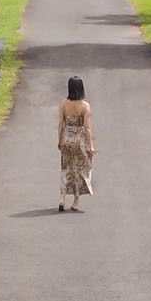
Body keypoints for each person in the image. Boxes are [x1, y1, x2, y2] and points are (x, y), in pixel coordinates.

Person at [56, 75, 94, 212]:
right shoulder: (85, 106)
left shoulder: (63, 104)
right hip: (79, 141)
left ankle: (62, 197)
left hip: (66, 138)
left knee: (65, 168)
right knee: (79, 170)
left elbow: (61, 123)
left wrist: (59, 139)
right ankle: (76, 202)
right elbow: (87, 128)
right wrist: (91, 146)